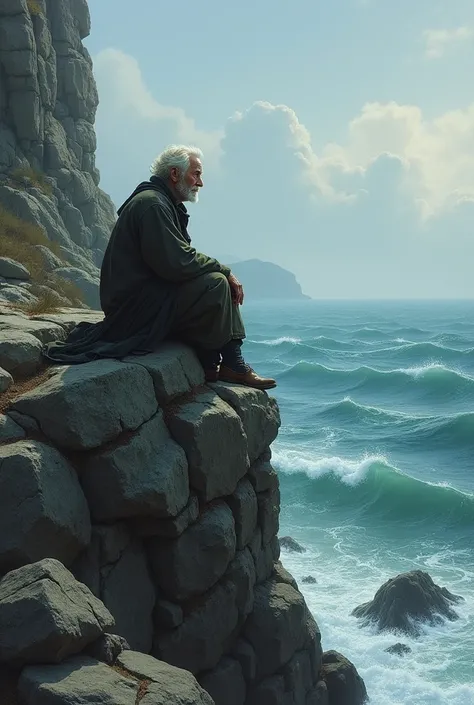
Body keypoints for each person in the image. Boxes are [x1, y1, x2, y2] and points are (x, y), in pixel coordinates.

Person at [44, 145, 276, 390]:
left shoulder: (160, 202)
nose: (201, 183)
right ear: (174, 174)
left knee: (214, 279)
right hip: (134, 309)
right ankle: (231, 363)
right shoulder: (153, 205)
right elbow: (176, 263)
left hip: (146, 298)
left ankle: (215, 361)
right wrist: (225, 270)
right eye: (196, 174)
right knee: (216, 283)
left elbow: (176, 261)